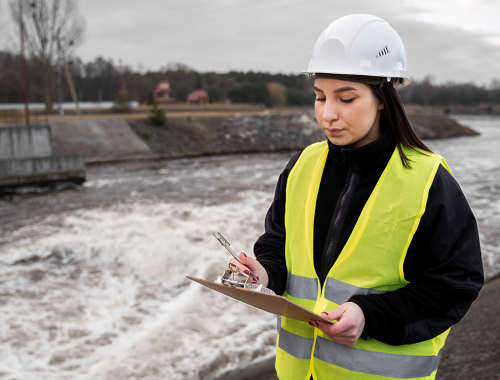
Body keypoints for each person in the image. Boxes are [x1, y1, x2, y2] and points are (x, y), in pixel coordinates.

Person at [230, 14, 483, 380]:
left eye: (346, 98)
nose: (328, 114)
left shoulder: (429, 182)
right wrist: (265, 274)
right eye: (319, 97)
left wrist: (369, 315)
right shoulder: (301, 167)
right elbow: (278, 243)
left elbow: (455, 285)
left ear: (382, 99)